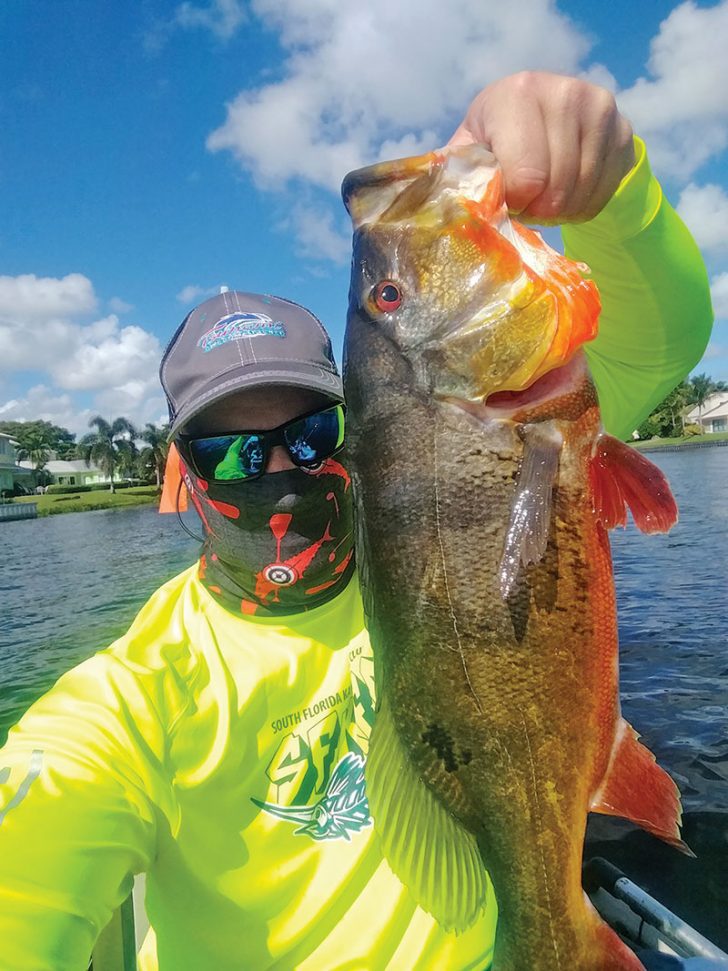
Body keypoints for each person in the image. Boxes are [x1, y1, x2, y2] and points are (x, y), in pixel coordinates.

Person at [0, 72, 713, 971]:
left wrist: (616, 195)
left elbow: (671, 335)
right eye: (231, 450)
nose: (285, 467)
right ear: (178, 479)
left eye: (309, 429)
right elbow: (27, 863)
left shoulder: (535, 421)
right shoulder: (131, 698)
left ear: (359, 430)